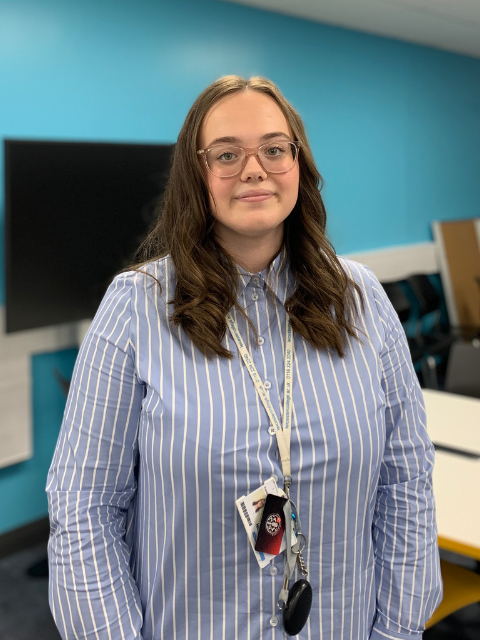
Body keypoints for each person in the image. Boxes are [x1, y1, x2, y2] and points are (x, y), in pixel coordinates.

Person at [46, 75, 442, 640]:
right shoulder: (136, 307)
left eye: (274, 149)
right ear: (196, 176)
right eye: (227, 154)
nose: (253, 169)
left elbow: (407, 482)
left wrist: (398, 631)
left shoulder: (362, 300)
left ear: (298, 165)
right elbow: (84, 508)